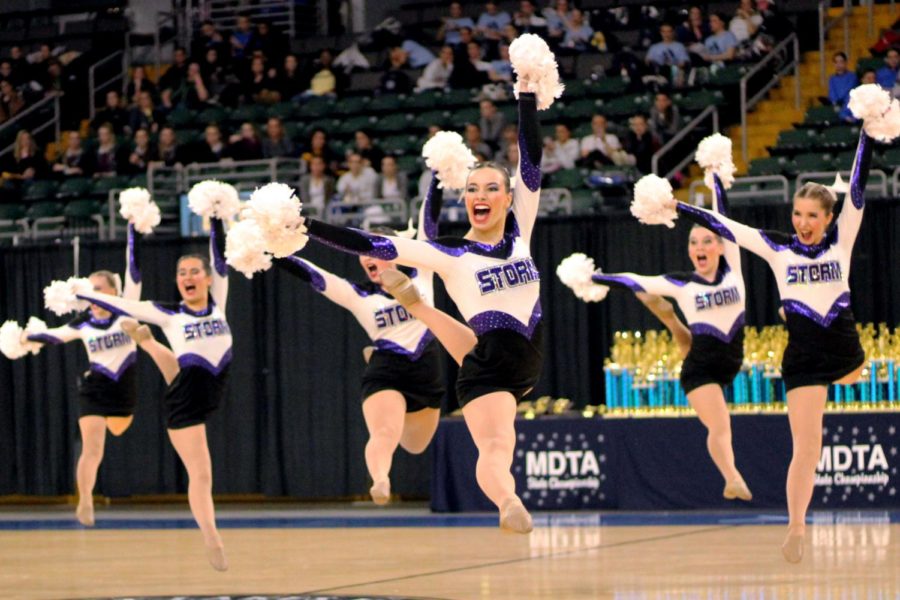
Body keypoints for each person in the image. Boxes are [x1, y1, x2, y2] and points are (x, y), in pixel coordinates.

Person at [302, 88, 546, 535]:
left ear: (508, 198)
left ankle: (412, 302)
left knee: (464, 340)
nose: (481, 193)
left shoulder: (520, 233)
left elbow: (530, 161)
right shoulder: (449, 254)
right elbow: (375, 243)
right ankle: (508, 502)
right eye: (472, 188)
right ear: (465, 198)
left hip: (517, 359)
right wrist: (306, 227)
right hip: (489, 372)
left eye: (493, 187)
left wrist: (527, 93)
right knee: (496, 445)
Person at [669, 127, 875, 563]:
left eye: (812, 216)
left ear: (828, 218)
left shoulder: (841, 241)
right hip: (803, 360)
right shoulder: (777, 248)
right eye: (797, 214)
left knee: (858, 374)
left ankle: (799, 321)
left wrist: (868, 130)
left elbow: (858, 185)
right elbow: (726, 226)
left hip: (843, 350)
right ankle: (796, 526)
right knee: (807, 446)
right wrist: (676, 205)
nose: (802, 222)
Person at [73, 200, 235, 571]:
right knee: (202, 473)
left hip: (210, 387)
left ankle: (145, 342)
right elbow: (120, 299)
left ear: (207, 279)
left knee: (176, 367)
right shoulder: (168, 313)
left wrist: (214, 215)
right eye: (182, 273)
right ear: (178, 281)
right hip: (186, 404)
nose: (188, 276)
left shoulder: (218, 304)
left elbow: (220, 256)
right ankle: (211, 535)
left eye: (196, 271)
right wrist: (81, 293)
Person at [274, 178, 445, 504]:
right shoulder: (358, 295)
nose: (367, 257)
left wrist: (438, 175)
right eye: (362, 254)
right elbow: (314, 274)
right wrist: (271, 249)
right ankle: (380, 480)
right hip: (386, 371)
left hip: (427, 372)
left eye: (373, 250)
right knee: (384, 432)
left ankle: (384, 471)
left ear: (391, 252)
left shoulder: (422, 272)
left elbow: (429, 224)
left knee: (416, 444)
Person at [588, 174, 752, 502]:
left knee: (682, 334)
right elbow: (635, 280)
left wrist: (717, 176)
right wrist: (593, 277)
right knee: (720, 426)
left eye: (707, 241)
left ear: (720, 246)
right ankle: (731, 478)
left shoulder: (733, 270)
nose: (700, 248)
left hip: (732, 360)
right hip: (700, 370)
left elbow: (724, 219)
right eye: (693, 243)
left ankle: (673, 323)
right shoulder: (682, 283)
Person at [15, 224, 177, 527]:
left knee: (118, 429)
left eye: (99, 289)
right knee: (93, 448)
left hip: (124, 390)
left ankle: (88, 494)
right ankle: (85, 499)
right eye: (89, 290)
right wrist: (25, 338)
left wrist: (133, 227)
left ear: (114, 292)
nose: (93, 295)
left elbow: (135, 271)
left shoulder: (126, 311)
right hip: (94, 389)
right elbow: (55, 336)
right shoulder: (83, 323)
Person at [828, 52, 858, 122]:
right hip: (837, 104)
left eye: (841, 61)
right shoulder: (832, 78)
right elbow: (832, 93)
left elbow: (849, 90)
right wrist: (835, 102)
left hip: (848, 103)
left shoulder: (852, 76)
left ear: (845, 62)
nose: (839, 64)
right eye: (836, 62)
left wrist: (840, 101)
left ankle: (846, 117)